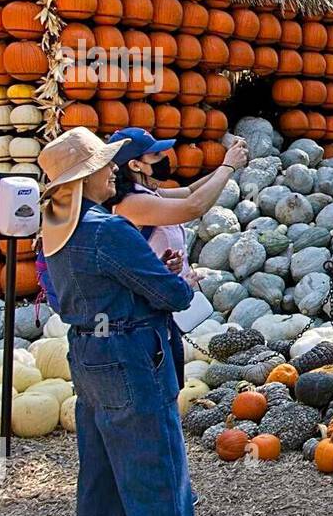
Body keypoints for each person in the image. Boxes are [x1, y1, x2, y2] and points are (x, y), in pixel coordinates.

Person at [38, 128, 232, 516]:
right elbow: (171, 295)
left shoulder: (57, 221)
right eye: (103, 167)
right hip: (131, 355)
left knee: (100, 468)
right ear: (84, 180)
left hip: (87, 353)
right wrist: (181, 280)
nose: (112, 171)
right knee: (158, 469)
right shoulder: (108, 231)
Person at [106, 128, 250, 387]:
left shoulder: (151, 193)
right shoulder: (131, 203)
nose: (164, 157)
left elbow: (189, 191)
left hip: (164, 308)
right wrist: (228, 167)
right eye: (155, 155)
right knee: (159, 387)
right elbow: (193, 207)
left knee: (171, 386)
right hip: (144, 316)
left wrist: (226, 165)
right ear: (135, 164)